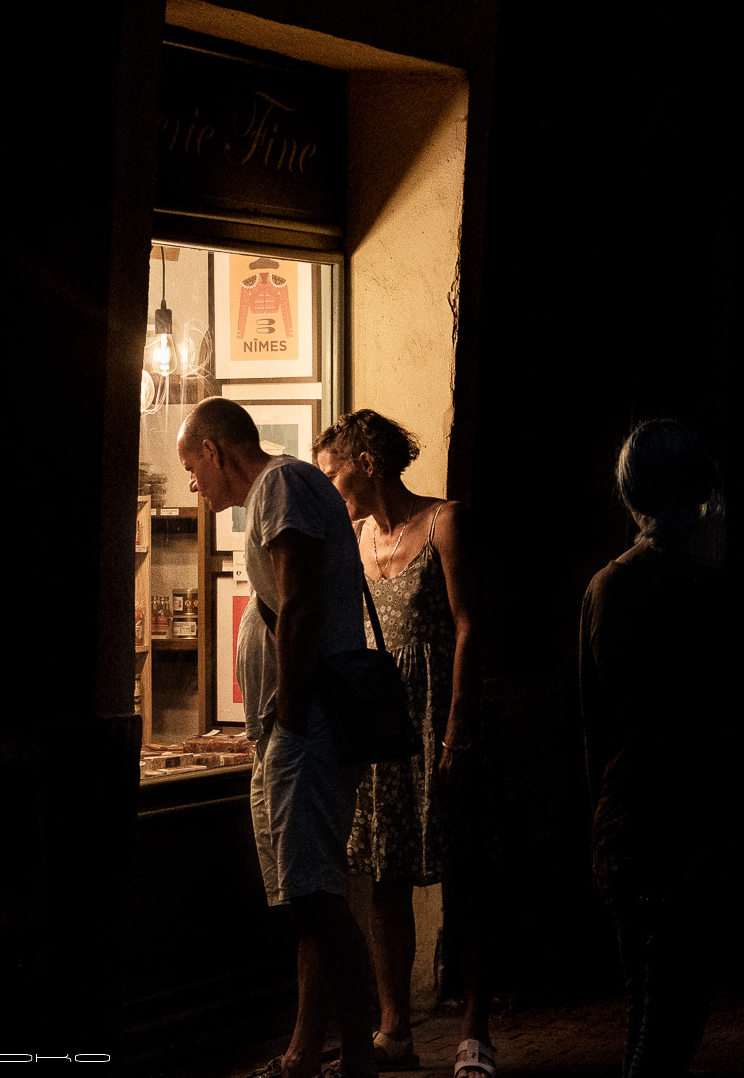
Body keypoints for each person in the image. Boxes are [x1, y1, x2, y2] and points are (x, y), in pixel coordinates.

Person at [177, 397, 376, 1078]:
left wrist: (288, 716)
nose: (193, 484)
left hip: (305, 725)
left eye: (192, 467)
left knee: (316, 896)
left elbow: (300, 601)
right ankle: (305, 1053)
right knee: (309, 895)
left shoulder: (281, 484)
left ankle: (358, 1059)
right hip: (293, 728)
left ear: (214, 450)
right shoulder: (278, 489)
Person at [314, 409, 496, 1078]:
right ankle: (394, 1030)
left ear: (367, 463)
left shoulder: (446, 521)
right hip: (384, 727)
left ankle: (475, 1030)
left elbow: (470, 626)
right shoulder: (357, 537)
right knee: (384, 874)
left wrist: (458, 731)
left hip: (439, 717)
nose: (328, 486)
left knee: (465, 872)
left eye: (333, 472)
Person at [579, 419, 731, 1078]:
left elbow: (595, 724)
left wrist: (599, 823)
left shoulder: (606, 586)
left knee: (645, 1007)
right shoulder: (706, 591)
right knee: (671, 1016)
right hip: (684, 819)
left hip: (625, 818)